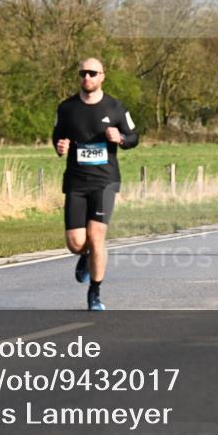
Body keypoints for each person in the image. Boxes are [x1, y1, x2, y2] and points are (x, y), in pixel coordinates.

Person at [52, 57, 139, 310]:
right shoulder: (66, 108)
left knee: (96, 236)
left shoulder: (115, 107)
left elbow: (134, 136)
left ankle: (95, 293)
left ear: (103, 76)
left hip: (105, 181)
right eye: (82, 73)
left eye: (92, 73)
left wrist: (120, 137)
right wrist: (60, 146)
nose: (86, 77)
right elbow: (57, 136)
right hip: (76, 182)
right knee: (76, 243)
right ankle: (85, 255)